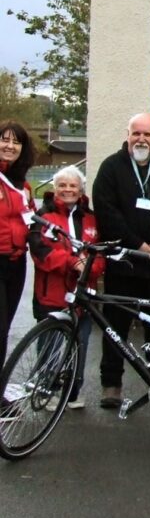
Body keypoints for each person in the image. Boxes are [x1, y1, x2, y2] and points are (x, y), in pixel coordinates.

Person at [92, 113, 150, 409]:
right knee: (115, 325)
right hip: (123, 262)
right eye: (136, 133)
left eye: (148, 134)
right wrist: (137, 244)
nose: (141, 139)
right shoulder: (110, 168)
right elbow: (106, 212)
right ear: (127, 135)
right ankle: (111, 384)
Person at [27, 166, 105, 410]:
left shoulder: (91, 218)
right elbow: (41, 252)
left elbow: (100, 252)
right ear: (54, 188)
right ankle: (45, 390)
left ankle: (72, 392)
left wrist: (91, 268)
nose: (68, 190)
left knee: (79, 343)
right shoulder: (43, 216)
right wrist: (73, 262)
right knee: (50, 344)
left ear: (81, 189)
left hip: (83, 296)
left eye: (73, 185)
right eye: (62, 185)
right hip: (52, 293)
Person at [0, 120, 36, 366]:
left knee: (5, 328)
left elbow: (31, 221)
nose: (10, 146)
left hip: (16, 262)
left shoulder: (23, 185)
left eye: (16, 141)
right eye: (4, 139)